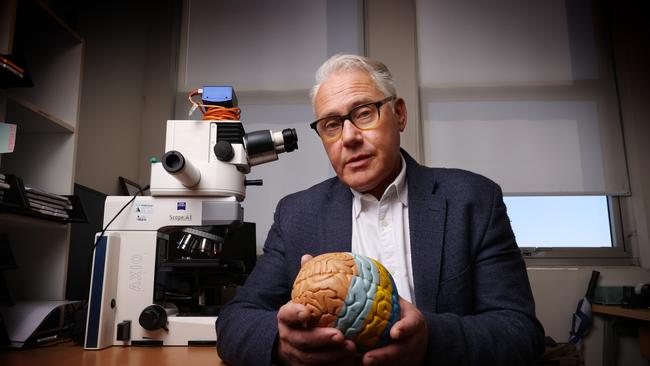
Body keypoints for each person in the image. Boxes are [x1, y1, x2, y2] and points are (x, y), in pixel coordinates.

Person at [216, 54, 545, 366]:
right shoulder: (297, 214)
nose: (349, 137)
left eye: (363, 113)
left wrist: (430, 341)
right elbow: (235, 319)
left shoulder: (472, 200)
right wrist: (282, 345)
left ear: (399, 114)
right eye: (332, 124)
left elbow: (520, 333)